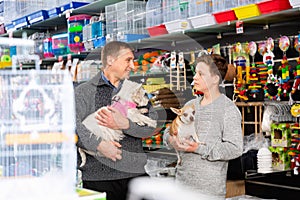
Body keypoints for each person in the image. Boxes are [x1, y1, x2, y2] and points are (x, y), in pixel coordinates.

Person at [75, 41, 158, 200]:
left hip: (135, 175)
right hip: (99, 179)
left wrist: (125, 124)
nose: (133, 66)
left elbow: (151, 126)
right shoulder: (84, 92)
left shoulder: (136, 90)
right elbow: (72, 129)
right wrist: (100, 145)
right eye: (128, 60)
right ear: (111, 60)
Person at [163, 54, 243, 199]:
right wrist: (170, 139)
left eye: (200, 74)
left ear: (215, 79)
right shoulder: (190, 105)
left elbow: (235, 148)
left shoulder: (228, 109)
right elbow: (169, 132)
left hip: (208, 192)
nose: (195, 77)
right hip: (181, 187)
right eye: (195, 73)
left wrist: (198, 148)